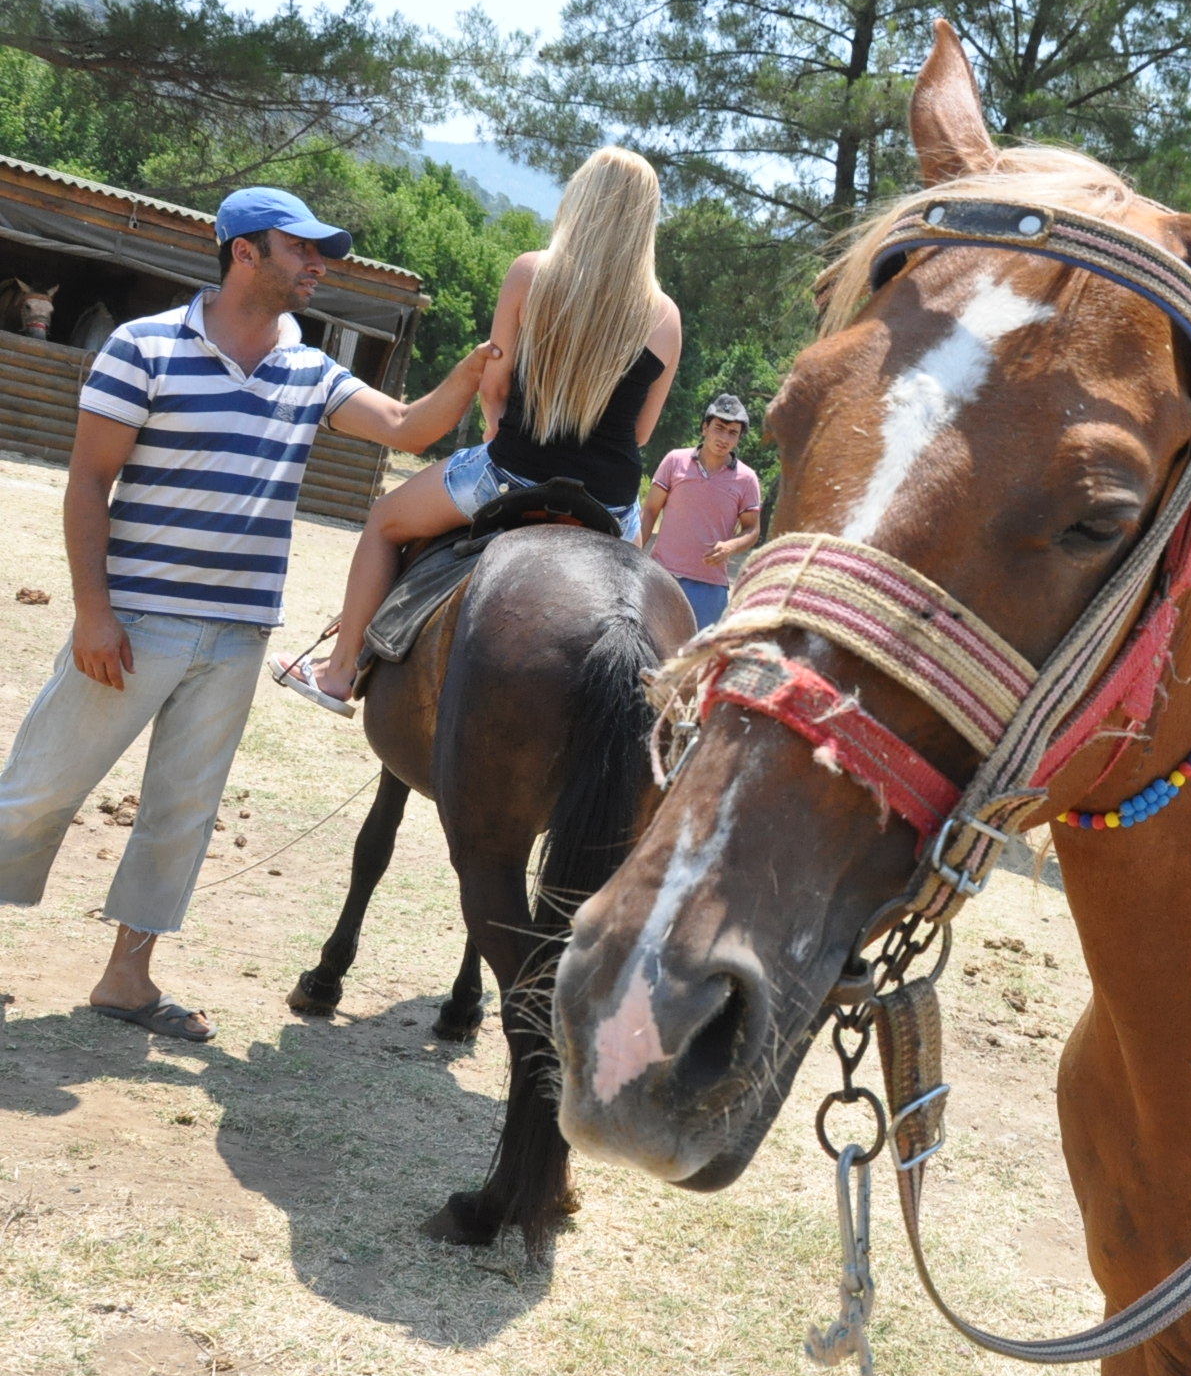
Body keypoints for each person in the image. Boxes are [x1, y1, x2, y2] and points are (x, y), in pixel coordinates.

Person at [0, 187, 497, 1042]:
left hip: (235, 636)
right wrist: (91, 612)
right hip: (134, 623)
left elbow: (409, 429)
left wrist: (484, 363)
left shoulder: (310, 370)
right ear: (243, 253)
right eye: (300, 249)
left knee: (181, 812)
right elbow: (88, 483)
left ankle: (127, 979)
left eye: (322, 252)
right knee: (41, 789)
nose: (319, 265)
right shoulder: (142, 347)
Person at [272, 146, 682, 713]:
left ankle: (340, 671)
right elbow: (639, 435)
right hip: (611, 508)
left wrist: (496, 431)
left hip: (513, 474)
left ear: (581, 200)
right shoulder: (665, 315)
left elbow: (493, 384)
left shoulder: (532, 272)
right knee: (640, 610)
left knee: (385, 521)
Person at [639, 393, 762, 629]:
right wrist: (633, 556)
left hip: (710, 586)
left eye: (732, 432)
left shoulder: (746, 479)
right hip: (662, 575)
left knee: (696, 659)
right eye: (719, 428)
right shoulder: (675, 461)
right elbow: (650, 510)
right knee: (647, 648)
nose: (724, 437)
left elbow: (752, 529)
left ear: (739, 438)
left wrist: (730, 547)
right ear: (705, 427)